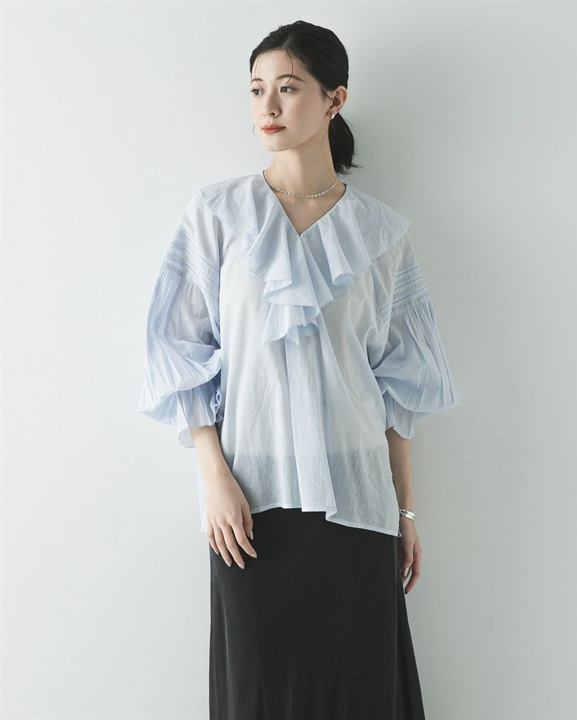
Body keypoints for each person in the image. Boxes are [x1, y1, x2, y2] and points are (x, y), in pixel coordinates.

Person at [138, 19, 460, 720]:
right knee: (258, 695)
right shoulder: (217, 216)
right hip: (249, 507)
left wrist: (405, 512)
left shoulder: (383, 235)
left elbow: (398, 392)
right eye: (257, 90)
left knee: (361, 694)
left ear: (334, 99)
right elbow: (179, 353)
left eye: (288, 88)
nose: (268, 107)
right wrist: (214, 478)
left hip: (357, 504)